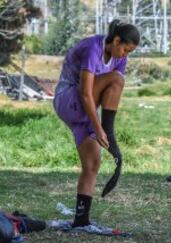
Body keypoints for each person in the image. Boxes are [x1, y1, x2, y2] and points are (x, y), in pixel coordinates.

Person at [53, 20, 140, 227]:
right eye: (125, 49)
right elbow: (85, 92)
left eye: (130, 52)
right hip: (69, 99)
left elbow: (106, 94)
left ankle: (81, 221)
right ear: (116, 40)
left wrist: (97, 127)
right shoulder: (93, 47)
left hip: (84, 110)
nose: (125, 55)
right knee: (117, 80)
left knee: (92, 164)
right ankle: (108, 130)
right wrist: (101, 128)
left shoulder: (120, 59)